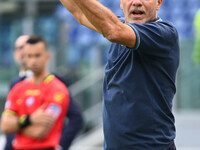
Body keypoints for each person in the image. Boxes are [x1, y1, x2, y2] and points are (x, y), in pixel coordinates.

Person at [60, 0, 180, 149]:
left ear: (159, 3)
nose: (137, 2)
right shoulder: (120, 27)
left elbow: (113, 31)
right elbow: (79, 14)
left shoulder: (163, 33)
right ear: (121, 2)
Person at [4, 35, 84, 150]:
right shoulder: (16, 85)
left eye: (36, 54)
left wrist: (61, 146)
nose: (22, 51)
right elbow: (5, 125)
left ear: (45, 55)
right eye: (19, 48)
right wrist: (29, 119)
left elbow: (40, 131)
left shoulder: (55, 84)